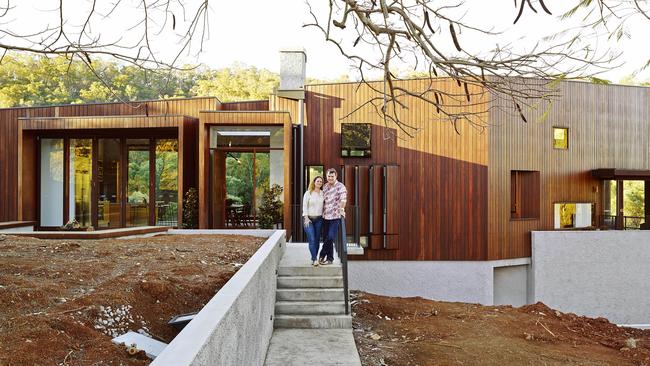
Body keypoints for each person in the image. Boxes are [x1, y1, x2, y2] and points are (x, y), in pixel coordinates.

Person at [319, 168, 347, 265]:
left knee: (330, 237)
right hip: (325, 216)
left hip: (335, 216)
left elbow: (343, 200)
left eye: (332, 176)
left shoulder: (341, 187)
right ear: (326, 177)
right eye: (329, 176)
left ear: (336, 176)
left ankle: (322, 253)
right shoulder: (325, 186)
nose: (330, 178)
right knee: (327, 237)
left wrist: (342, 208)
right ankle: (330, 259)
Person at [302, 176, 325, 266]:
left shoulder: (323, 193)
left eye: (321, 181)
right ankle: (315, 259)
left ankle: (314, 257)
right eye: (317, 181)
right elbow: (304, 206)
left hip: (319, 219)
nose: (319, 182)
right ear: (314, 182)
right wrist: (306, 217)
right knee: (311, 239)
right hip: (308, 219)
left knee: (316, 240)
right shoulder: (308, 193)